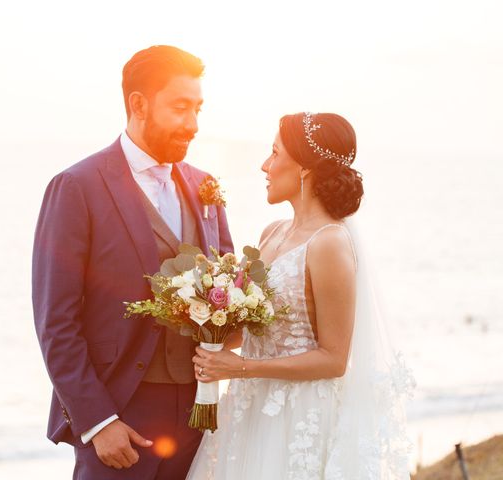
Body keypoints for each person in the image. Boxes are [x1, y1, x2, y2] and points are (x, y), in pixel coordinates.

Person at [32, 45, 233, 480]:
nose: (193, 124)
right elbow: (55, 321)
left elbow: (229, 286)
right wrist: (97, 422)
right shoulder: (76, 187)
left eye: (198, 109)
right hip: (121, 414)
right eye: (180, 108)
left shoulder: (205, 186)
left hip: (199, 417)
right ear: (138, 104)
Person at [187, 112, 414, 479]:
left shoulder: (329, 243)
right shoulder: (271, 233)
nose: (265, 165)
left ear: (305, 169)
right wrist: (212, 330)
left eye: (274, 154)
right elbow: (262, 328)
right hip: (251, 411)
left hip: (298, 417)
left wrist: (241, 368)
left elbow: (334, 359)